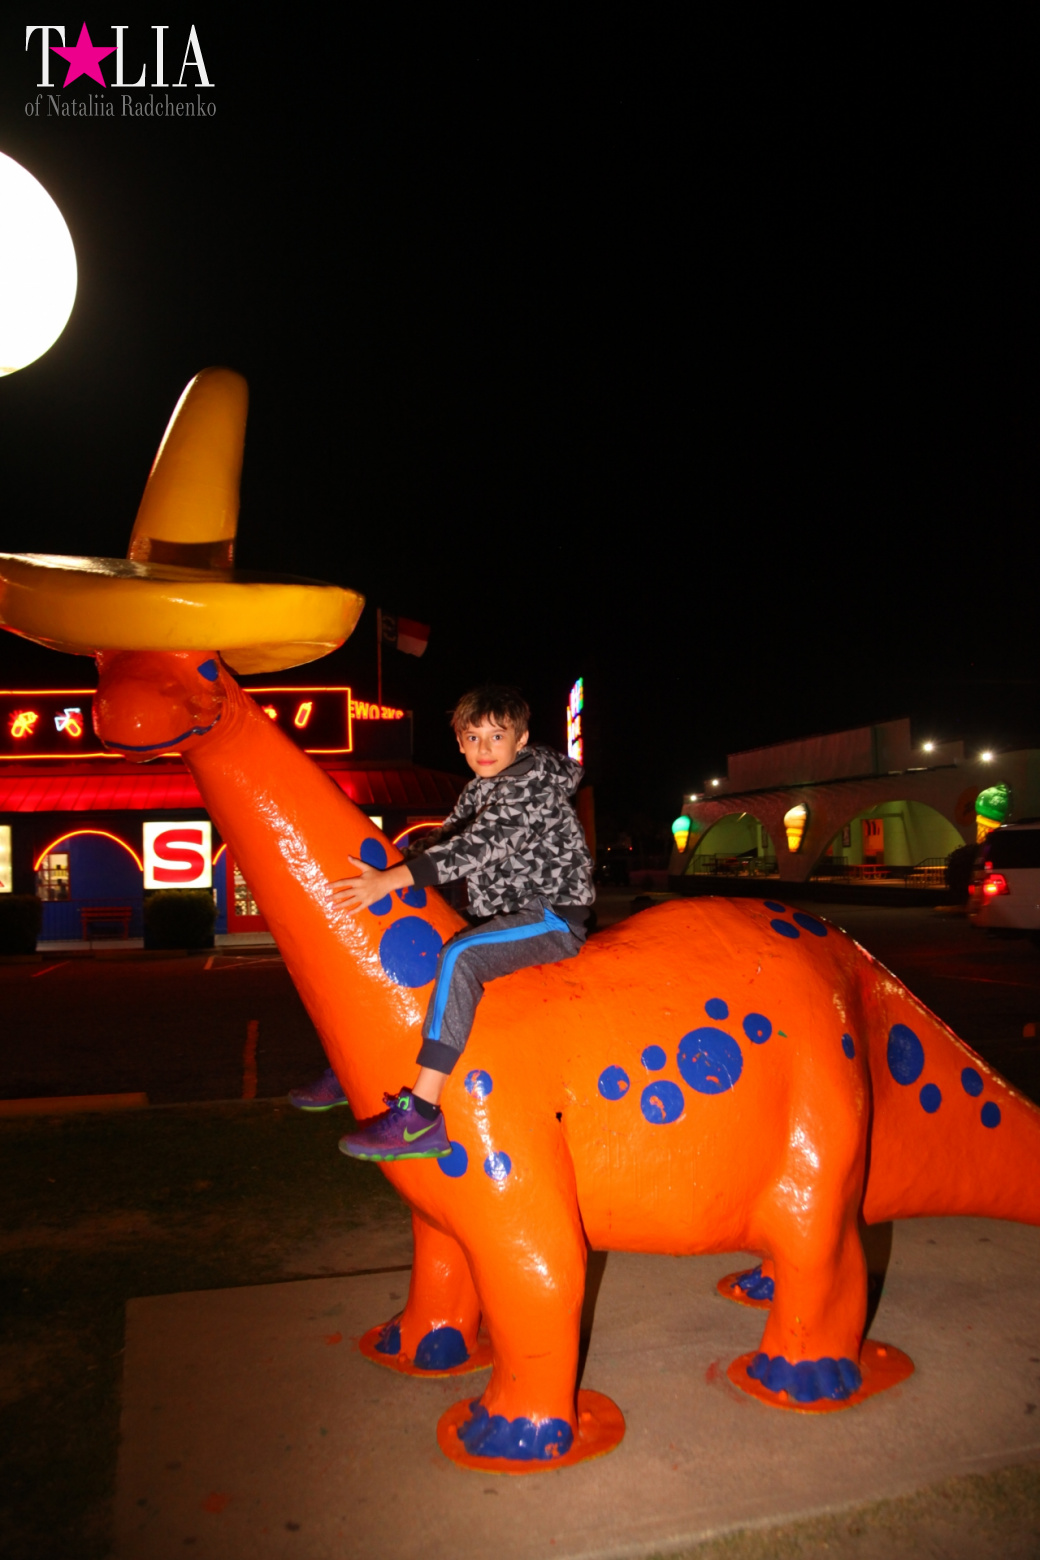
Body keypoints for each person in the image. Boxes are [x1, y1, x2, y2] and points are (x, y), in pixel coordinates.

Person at [333, 683, 594, 1161]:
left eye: (497, 737)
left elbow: (477, 847)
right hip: (500, 911)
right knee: (424, 948)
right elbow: (449, 836)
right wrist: (395, 857)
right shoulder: (480, 789)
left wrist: (392, 879)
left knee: (461, 954)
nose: (484, 748)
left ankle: (422, 1117)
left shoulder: (533, 784)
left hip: (551, 916)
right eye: (472, 738)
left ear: (521, 739)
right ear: (458, 743)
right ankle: (365, 1064)